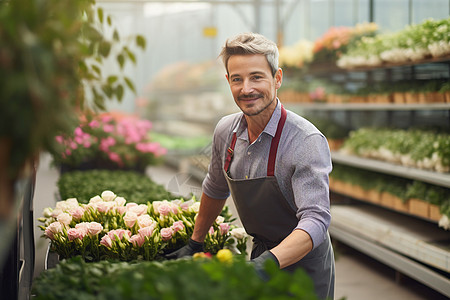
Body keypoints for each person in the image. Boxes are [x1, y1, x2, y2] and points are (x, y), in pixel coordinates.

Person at [166, 32, 335, 299]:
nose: (246, 89)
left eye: (256, 77)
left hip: (304, 268)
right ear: (228, 81)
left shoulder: (304, 140)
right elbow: (215, 187)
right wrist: (195, 243)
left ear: (277, 78)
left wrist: (267, 263)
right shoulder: (226, 131)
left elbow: (316, 220)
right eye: (237, 79)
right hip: (259, 257)